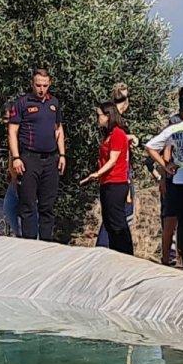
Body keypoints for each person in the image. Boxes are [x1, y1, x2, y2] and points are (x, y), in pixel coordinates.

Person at [8, 68, 67, 241]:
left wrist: (62, 154)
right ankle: (29, 244)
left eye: (45, 85)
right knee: (27, 205)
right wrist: (16, 158)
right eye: (38, 85)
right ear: (32, 84)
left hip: (50, 159)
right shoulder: (22, 103)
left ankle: (46, 243)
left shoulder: (54, 103)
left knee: (47, 206)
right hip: (28, 158)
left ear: (50, 84)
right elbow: (12, 131)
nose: (42, 89)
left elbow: (59, 129)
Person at [145, 100, 183, 270]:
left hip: (176, 178)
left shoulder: (175, 129)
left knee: (174, 220)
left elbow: (154, 149)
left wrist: (165, 168)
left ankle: (173, 258)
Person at [81, 102, 133, 255]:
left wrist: (97, 173)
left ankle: (126, 253)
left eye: (100, 115)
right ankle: (115, 252)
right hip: (106, 182)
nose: (98, 118)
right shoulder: (108, 135)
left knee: (117, 221)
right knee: (109, 221)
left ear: (108, 116)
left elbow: (113, 159)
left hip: (116, 183)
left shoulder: (118, 133)